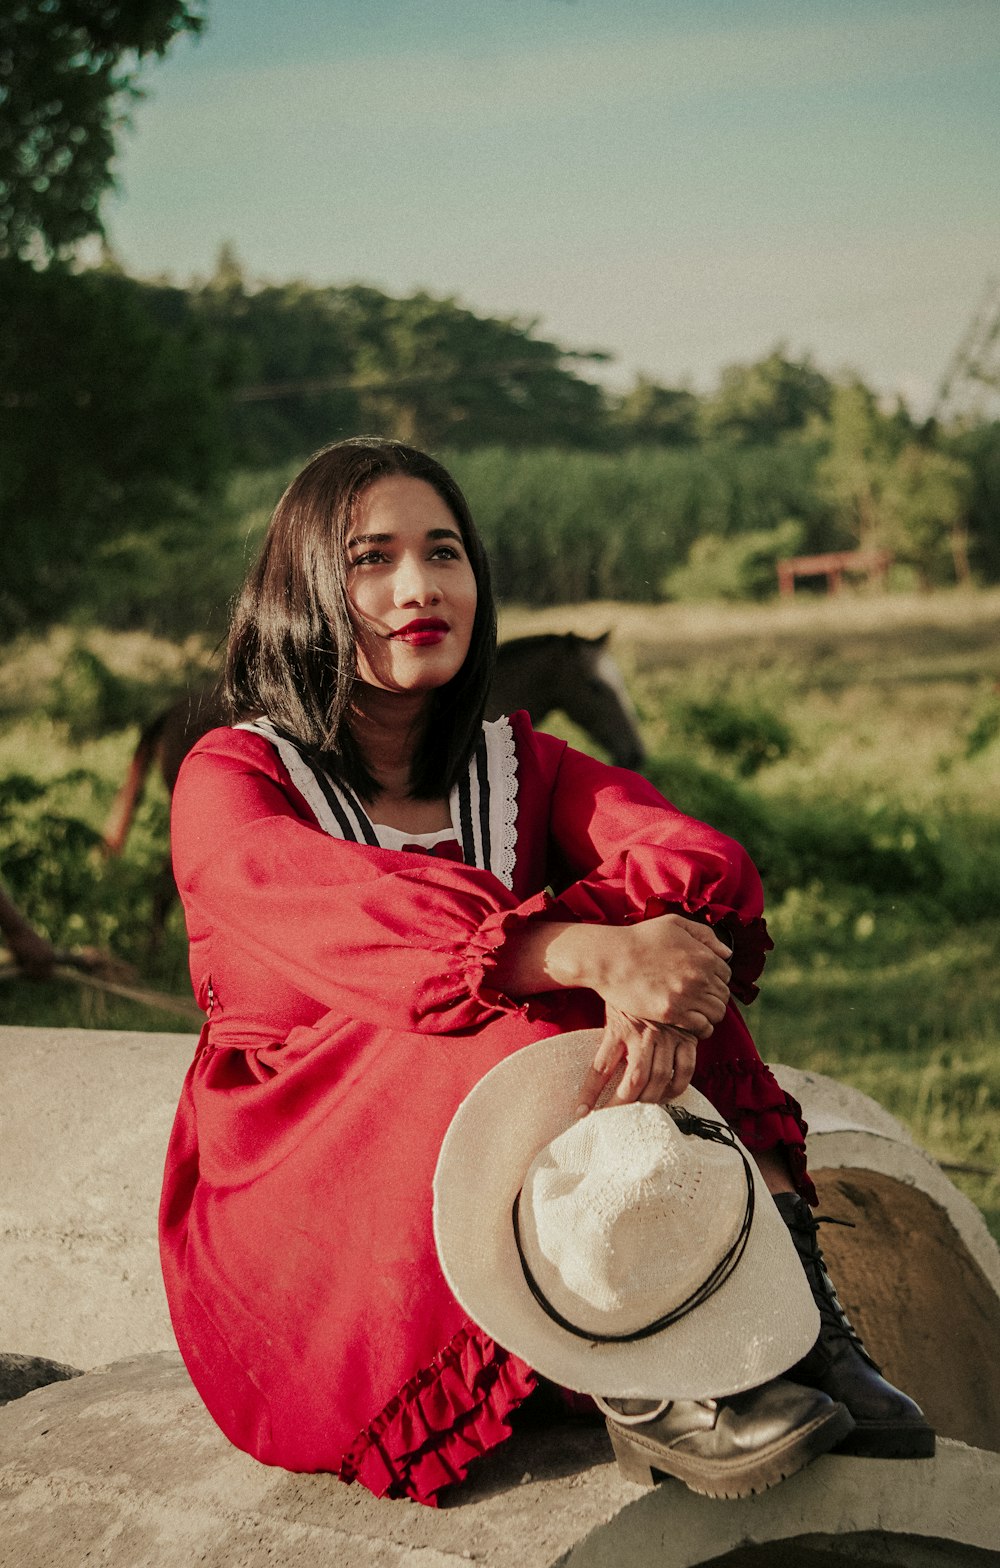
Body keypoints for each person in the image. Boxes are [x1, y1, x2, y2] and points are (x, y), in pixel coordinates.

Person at [160, 437, 932, 1509]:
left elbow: (696, 854)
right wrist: (573, 950)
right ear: (300, 591)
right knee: (518, 1011)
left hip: (509, 1156)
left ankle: (791, 1305)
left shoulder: (515, 761)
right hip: (309, 1203)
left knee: (671, 957)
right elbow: (337, 913)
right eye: (371, 559)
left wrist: (646, 956)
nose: (418, 587)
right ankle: (648, 1368)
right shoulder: (236, 776)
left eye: (444, 553)